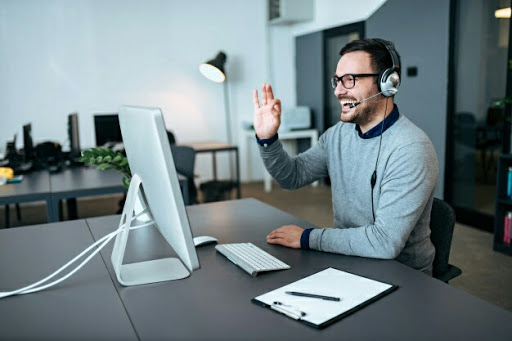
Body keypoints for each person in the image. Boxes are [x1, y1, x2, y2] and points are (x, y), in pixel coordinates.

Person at [252, 38, 438, 275]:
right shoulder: (338, 135)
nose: (339, 91)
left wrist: (307, 237)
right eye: (337, 81)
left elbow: (384, 242)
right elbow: (292, 176)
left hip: (403, 277)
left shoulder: (411, 149)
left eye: (350, 80)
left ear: (387, 82)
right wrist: (267, 138)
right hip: (348, 260)